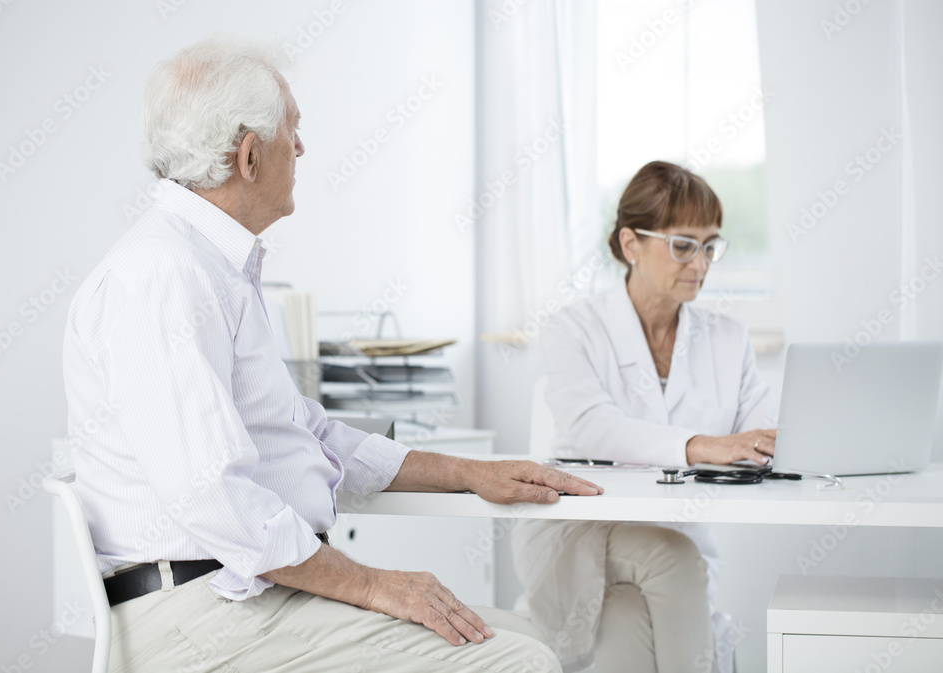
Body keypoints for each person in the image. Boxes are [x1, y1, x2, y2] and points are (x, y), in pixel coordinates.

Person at [62, 35, 604, 673]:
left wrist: (467, 472)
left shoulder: (209, 266)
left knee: (517, 631)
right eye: (292, 129)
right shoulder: (163, 275)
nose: (301, 147)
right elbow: (212, 496)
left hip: (240, 594)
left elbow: (302, 433)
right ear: (249, 154)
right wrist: (376, 585)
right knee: (519, 661)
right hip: (197, 615)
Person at [511, 161, 776, 673]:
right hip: (581, 531)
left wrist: (784, 441)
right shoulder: (574, 329)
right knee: (671, 558)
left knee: (626, 617)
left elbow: (758, 436)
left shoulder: (727, 338)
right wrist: (700, 445)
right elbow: (592, 427)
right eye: (683, 245)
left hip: (676, 539)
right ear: (631, 244)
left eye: (710, 246)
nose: (699, 262)